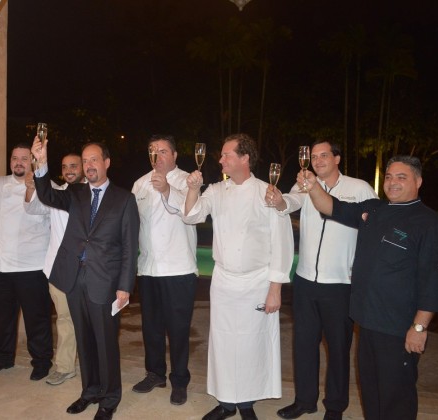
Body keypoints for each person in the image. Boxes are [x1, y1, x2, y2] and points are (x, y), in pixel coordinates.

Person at [299, 155, 438, 420]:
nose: (392, 183)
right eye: (390, 176)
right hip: (367, 323)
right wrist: (313, 186)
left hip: (398, 328)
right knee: (371, 392)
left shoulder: (429, 224)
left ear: (418, 181)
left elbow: (434, 281)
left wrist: (419, 328)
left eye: (401, 177)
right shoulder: (375, 209)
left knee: (396, 397)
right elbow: (332, 207)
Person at [182, 133, 294, 420]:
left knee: (251, 343)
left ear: (244, 158)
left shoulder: (267, 192)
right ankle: (226, 402)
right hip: (223, 280)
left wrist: (275, 289)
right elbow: (192, 215)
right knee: (222, 341)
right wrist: (193, 188)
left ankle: (245, 403)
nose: (221, 160)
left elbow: (281, 243)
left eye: (226, 155)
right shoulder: (217, 190)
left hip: (256, 281)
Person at [266, 141, 377, 420]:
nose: (317, 161)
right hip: (304, 281)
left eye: (323, 155)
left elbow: (374, 230)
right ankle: (305, 400)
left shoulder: (359, 187)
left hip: (340, 284)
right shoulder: (305, 184)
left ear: (337, 158)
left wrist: (361, 270)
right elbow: (289, 203)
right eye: (313, 157)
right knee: (303, 345)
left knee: (339, 350)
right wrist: (278, 199)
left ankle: (335, 407)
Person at [32, 137, 139, 420]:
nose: (89, 165)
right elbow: (46, 195)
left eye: (94, 160)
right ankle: (89, 392)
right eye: (85, 160)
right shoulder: (75, 193)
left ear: (106, 162)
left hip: (104, 282)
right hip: (74, 279)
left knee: (105, 343)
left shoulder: (124, 199)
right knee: (84, 339)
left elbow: (130, 247)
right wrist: (41, 163)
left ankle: (110, 398)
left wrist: (125, 286)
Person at [0, 143, 53, 381]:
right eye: (15, 158)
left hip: (32, 266)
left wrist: (33, 187)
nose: (19, 162)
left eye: (24, 158)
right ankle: (0, 359)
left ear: (33, 161)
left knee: (37, 319)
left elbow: (42, 210)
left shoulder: (48, 186)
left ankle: (41, 362)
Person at [130, 135, 198, 406]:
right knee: (151, 328)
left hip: (179, 268)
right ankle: (155, 373)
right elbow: (132, 225)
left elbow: (191, 211)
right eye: (152, 152)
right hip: (148, 268)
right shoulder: (139, 183)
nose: (157, 156)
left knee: (179, 330)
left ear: (175, 155)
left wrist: (167, 189)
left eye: (163, 151)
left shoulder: (187, 180)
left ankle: (179, 380)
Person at [24, 153, 85, 386]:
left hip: (88, 270)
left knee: (90, 322)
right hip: (58, 270)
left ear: (83, 167)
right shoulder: (55, 193)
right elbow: (33, 209)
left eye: (73, 165)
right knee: (65, 319)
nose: (69, 170)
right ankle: (65, 367)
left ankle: (96, 368)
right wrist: (31, 187)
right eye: (64, 166)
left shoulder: (95, 193)